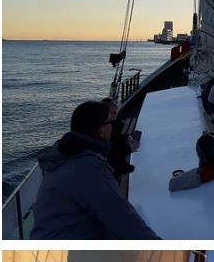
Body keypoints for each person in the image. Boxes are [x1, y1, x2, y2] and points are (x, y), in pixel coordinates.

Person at [31, 100, 160, 239]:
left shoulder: (67, 156)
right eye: (111, 121)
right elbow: (122, 218)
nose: (114, 125)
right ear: (101, 130)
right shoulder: (90, 168)